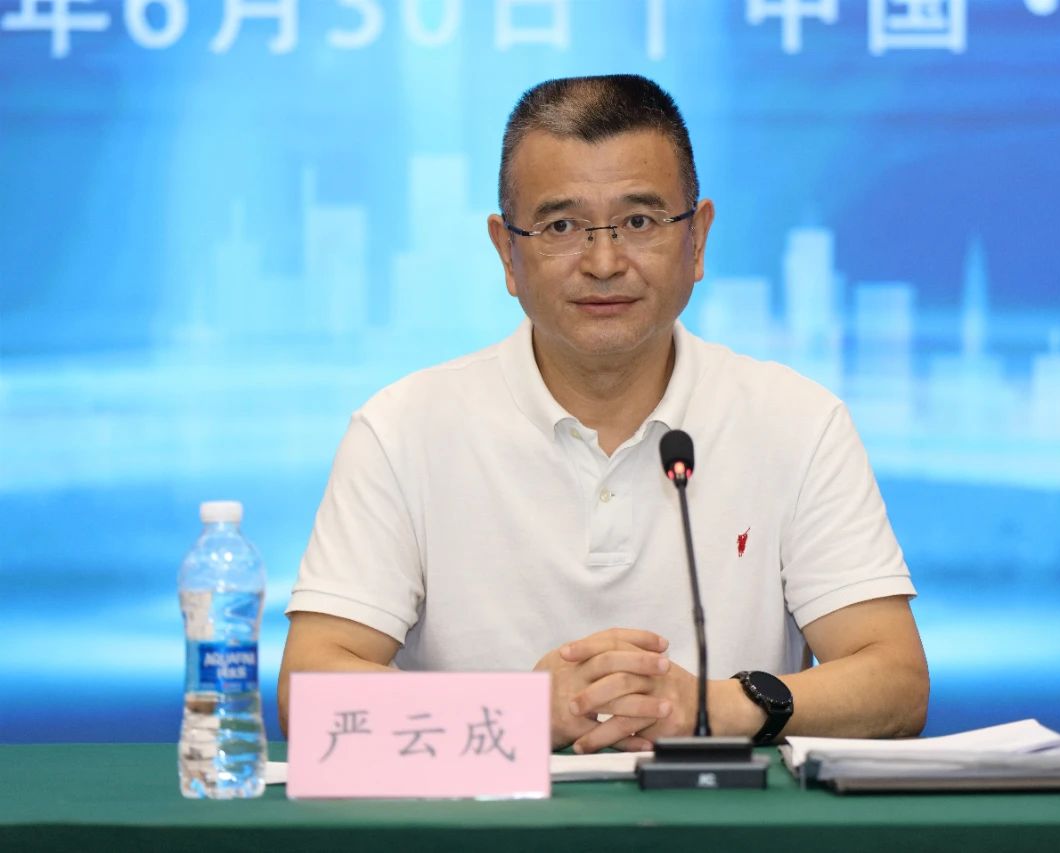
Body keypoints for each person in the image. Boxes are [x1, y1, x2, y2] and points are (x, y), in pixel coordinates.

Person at [279, 75, 928, 754]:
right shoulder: (402, 430)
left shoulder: (797, 421)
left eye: (639, 222)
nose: (604, 261)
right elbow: (310, 691)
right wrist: (516, 712)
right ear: (507, 252)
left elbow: (896, 682)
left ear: (697, 240)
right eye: (562, 226)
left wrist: (710, 708)